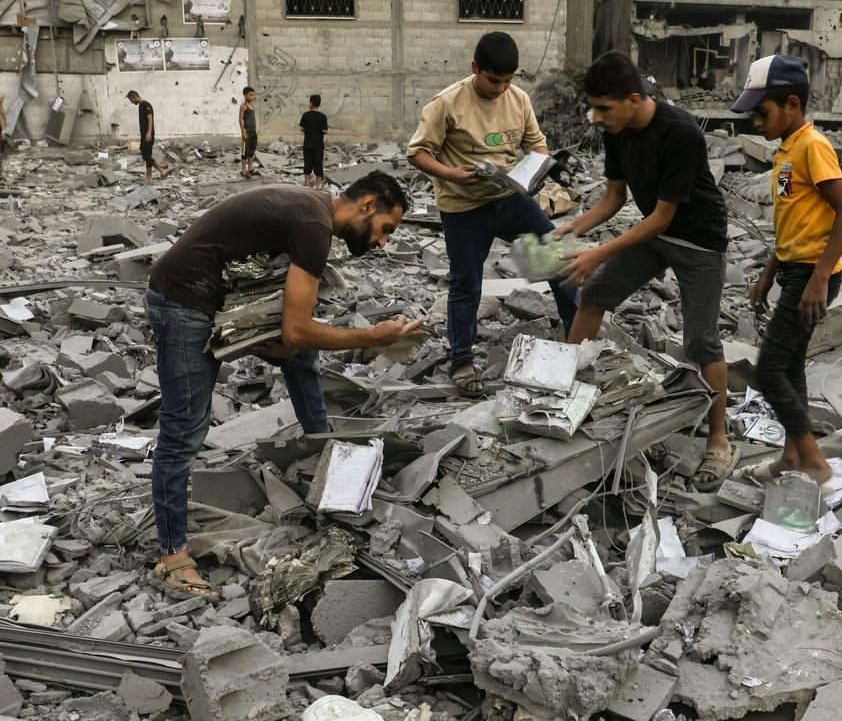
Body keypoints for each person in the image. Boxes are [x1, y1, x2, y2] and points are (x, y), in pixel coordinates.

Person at [144, 172, 424, 601]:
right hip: (183, 301)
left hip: (220, 296)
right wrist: (372, 337)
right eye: (386, 229)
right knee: (184, 430)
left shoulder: (316, 212)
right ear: (367, 205)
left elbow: (294, 334)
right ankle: (171, 558)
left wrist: (284, 342)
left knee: (301, 358)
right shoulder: (313, 224)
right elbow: (296, 329)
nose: (383, 242)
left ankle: (325, 465)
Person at [556, 51, 736, 490]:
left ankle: (719, 439)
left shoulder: (679, 131)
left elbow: (663, 216)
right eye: (593, 107)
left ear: (634, 99)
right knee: (594, 298)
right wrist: (574, 227)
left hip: (696, 239)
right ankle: (561, 395)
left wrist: (599, 251)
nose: (595, 117)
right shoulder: (617, 129)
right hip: (653, 233)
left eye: (604, 108)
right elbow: (615, 196)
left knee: (701, 340)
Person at [406, 32, 577, 396]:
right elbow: (417, 153)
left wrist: (533, 171)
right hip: (464, 207)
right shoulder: (447, 103)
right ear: (474, 68)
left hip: (510, 201)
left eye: (507, 80)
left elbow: (537, 144)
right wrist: (452, 174)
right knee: (467, 283)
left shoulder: (519, 99)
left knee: (557, 259)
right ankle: (462, 359)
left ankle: (576, 337)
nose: (500, 88)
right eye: (493, 80)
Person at [730, 55, 842, 486]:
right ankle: (791, 457)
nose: (755, 122)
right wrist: (768, 273)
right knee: (791, 366)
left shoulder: (812, 146)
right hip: (794, 270)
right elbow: (794, 222)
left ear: (791, 104)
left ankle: (815, 464)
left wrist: (820, 278)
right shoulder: (786, 150)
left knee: (768, 370)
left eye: (761, 112)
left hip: (813, 276)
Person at [126, 91, 171, 181]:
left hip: (147, 134)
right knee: (147, 155)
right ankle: (149, 175)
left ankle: (162, 170)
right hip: (144, 134)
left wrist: (149, 133)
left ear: (134, 97)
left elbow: (150, 119)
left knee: (146, 156)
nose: (131, 102)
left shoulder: (146, 105)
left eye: (131, 100)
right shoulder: (140, 105)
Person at [300, 94, 329, 188]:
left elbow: (301, 128)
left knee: (307, 164)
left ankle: (307, 185)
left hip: (307, 143)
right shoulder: (323, 116)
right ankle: (318, 186)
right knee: (318, 165)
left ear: (311, 103)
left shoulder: (305, 115)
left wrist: (308, 129)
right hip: (318, 145)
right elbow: (325, 131)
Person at [239, 86, 257, 178]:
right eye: (250, 95)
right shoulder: (243, 106)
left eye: (253, 95)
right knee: (245, 152)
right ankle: (243, 170)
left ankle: (250, 169)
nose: (253, 97)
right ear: (245, 95)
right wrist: (243, 131)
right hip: (247, 131)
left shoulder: (252, 106)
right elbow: (241, 119)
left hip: (253, 131)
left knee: (251, 152)